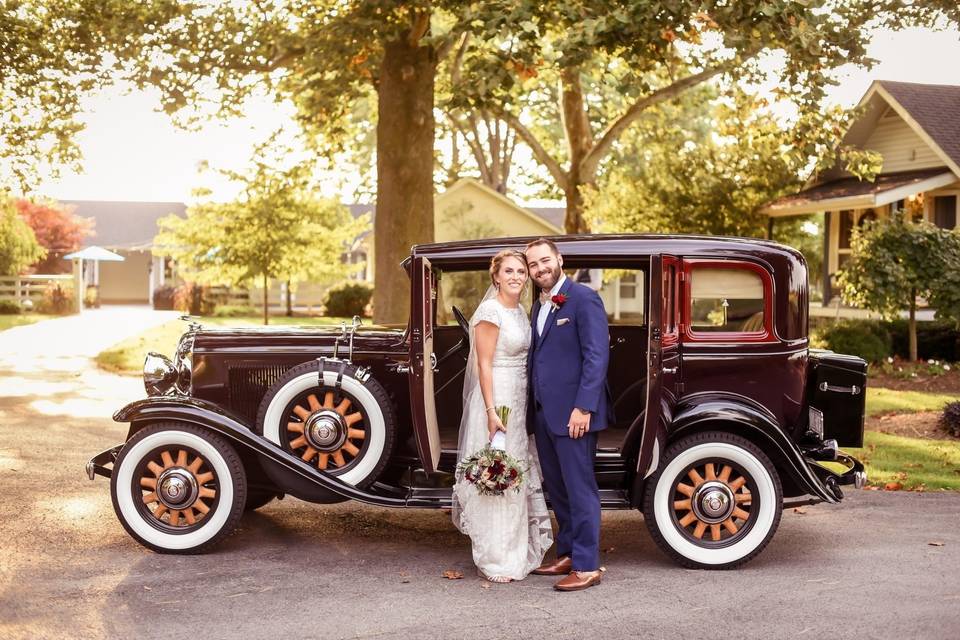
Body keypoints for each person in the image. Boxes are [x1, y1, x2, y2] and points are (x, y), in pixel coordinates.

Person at [451, 249, 553, 583]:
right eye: (509, 271)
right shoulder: (489, 311)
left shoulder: (521, 311)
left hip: (520, 397)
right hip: (498, 400)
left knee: (518, 468)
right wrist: (492, 412)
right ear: (495, 276)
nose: (516, 277)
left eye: (521, 272)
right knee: (498, 468)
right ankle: (495, 557)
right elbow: (483, 364)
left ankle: (515, 550)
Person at [525, 237, 614, 592]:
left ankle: (588, 565)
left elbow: (597, 357)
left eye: (544, 261)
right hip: (544, 412)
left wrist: (583, 407)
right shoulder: (539, 306)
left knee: (580, 490)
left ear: (559, 259)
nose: (539, 269)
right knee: (558, 489)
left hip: (575, 412)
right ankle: (568, 553)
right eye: (533, 264)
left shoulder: (584, 298)